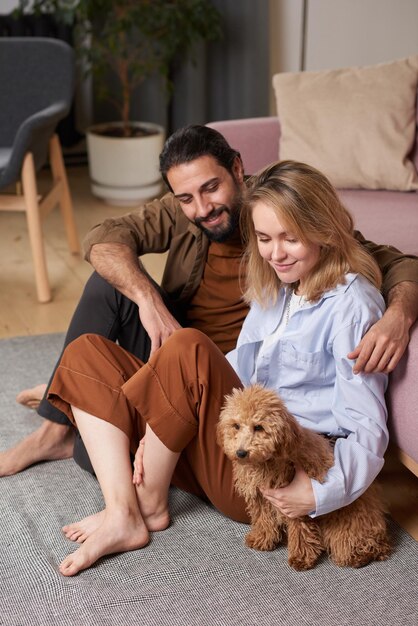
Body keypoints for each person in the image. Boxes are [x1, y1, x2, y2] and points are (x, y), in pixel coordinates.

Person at [1, 125, 418, 477]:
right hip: (174, 348)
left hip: (227, 376)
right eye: (186, 198)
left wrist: (398, 313)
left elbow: (394, 261)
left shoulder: (282, 217)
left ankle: (85, 395)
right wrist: (149, 299)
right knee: (107, 286)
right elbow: (103, 238)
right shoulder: (185, 208)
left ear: (237, 168)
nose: (202, 208)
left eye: (211, 188)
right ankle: (55, 429)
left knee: (90, 455)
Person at [46, 160, 389, 576]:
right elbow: (236, 372)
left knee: (187, 345)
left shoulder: (353, 305)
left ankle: (146, 506)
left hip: (268, 470)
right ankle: (124, 511)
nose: (276, 253)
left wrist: (317, 493)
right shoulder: (275, 286)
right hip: (229, 440)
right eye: (264, 238)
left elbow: (367, 430)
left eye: (291, 239)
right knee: (87, 354)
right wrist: (163, 403)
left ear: (325, 231)